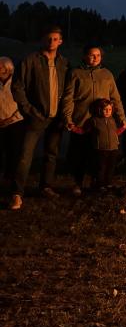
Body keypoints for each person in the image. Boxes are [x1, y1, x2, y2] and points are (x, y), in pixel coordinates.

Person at [10, 26, 69, 210]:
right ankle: (17, 193)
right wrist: (29, 110)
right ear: (43, 40)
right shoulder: (30, 61)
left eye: (55, 39)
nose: (51, 42)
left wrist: (64, 113)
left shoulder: (63, 63)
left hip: (56, 117)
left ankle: (46, 186)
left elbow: (67, 89)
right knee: (25, 155)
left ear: (60, 41)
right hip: (36, 117)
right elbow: (18, 87)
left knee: (51, 154)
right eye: (48, 38)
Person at [61, 45, 126, 195]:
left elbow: (115, 98)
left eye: (98, 55)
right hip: (82, 120)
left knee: (99, 156)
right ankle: (77, 182)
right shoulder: (76, 73)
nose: (95, 58)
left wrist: (122, 118)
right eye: (91, 55)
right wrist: (67, 118)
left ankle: (97, 183)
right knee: (79, 153)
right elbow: (68, 98)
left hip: (101, 123)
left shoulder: (106, 74)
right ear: (84, 56)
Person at [71, 98, 126, 190]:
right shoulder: (94, 121)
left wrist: (123, 128)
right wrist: (74, 129)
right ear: (99, 110)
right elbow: (84, 131)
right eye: (105, 109)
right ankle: (99, 185)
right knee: (101, 168)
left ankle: (107, 183)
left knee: (110, 168)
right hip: (100, 149)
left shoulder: (112, 120)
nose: (108, 111)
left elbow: (115, 133)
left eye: (109, 110)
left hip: (113, 149)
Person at [0, 57, 24, 186]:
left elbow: (22, 104)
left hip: (15, 122)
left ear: (7, 69)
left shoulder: (16, 83)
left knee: (13, 150)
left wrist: (11, 118)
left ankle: (11, 177)